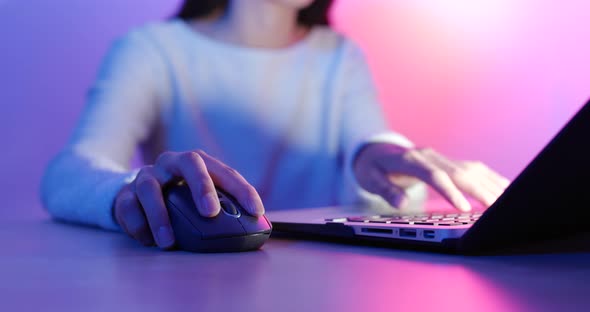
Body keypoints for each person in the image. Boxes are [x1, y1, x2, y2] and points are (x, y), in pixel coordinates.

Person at [41, 0, 509, 250]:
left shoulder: (339, 57)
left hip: (323, 286)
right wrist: (131, 191)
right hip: (190, 291)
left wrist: (381, 157)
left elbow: (370, 163)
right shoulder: (152, 51)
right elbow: (68, 173)